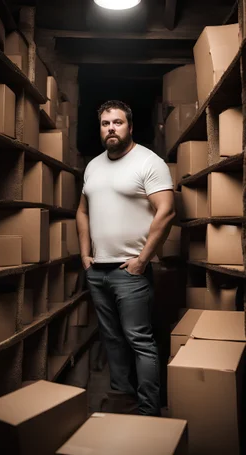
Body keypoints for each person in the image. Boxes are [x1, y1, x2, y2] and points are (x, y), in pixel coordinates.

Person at [76, 100, 175, 416]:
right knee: (111, 339)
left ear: (129, 126)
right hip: (98, 270)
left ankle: (148, 410)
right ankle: (122, 398)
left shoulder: (149, 162)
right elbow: (81, 210)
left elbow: (167, 211)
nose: (111, 129)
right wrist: (85, 254)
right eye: (105, 124)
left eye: (117, 123)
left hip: (130, 270)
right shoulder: (93, 166)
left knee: (139, 341)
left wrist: (142, 260)